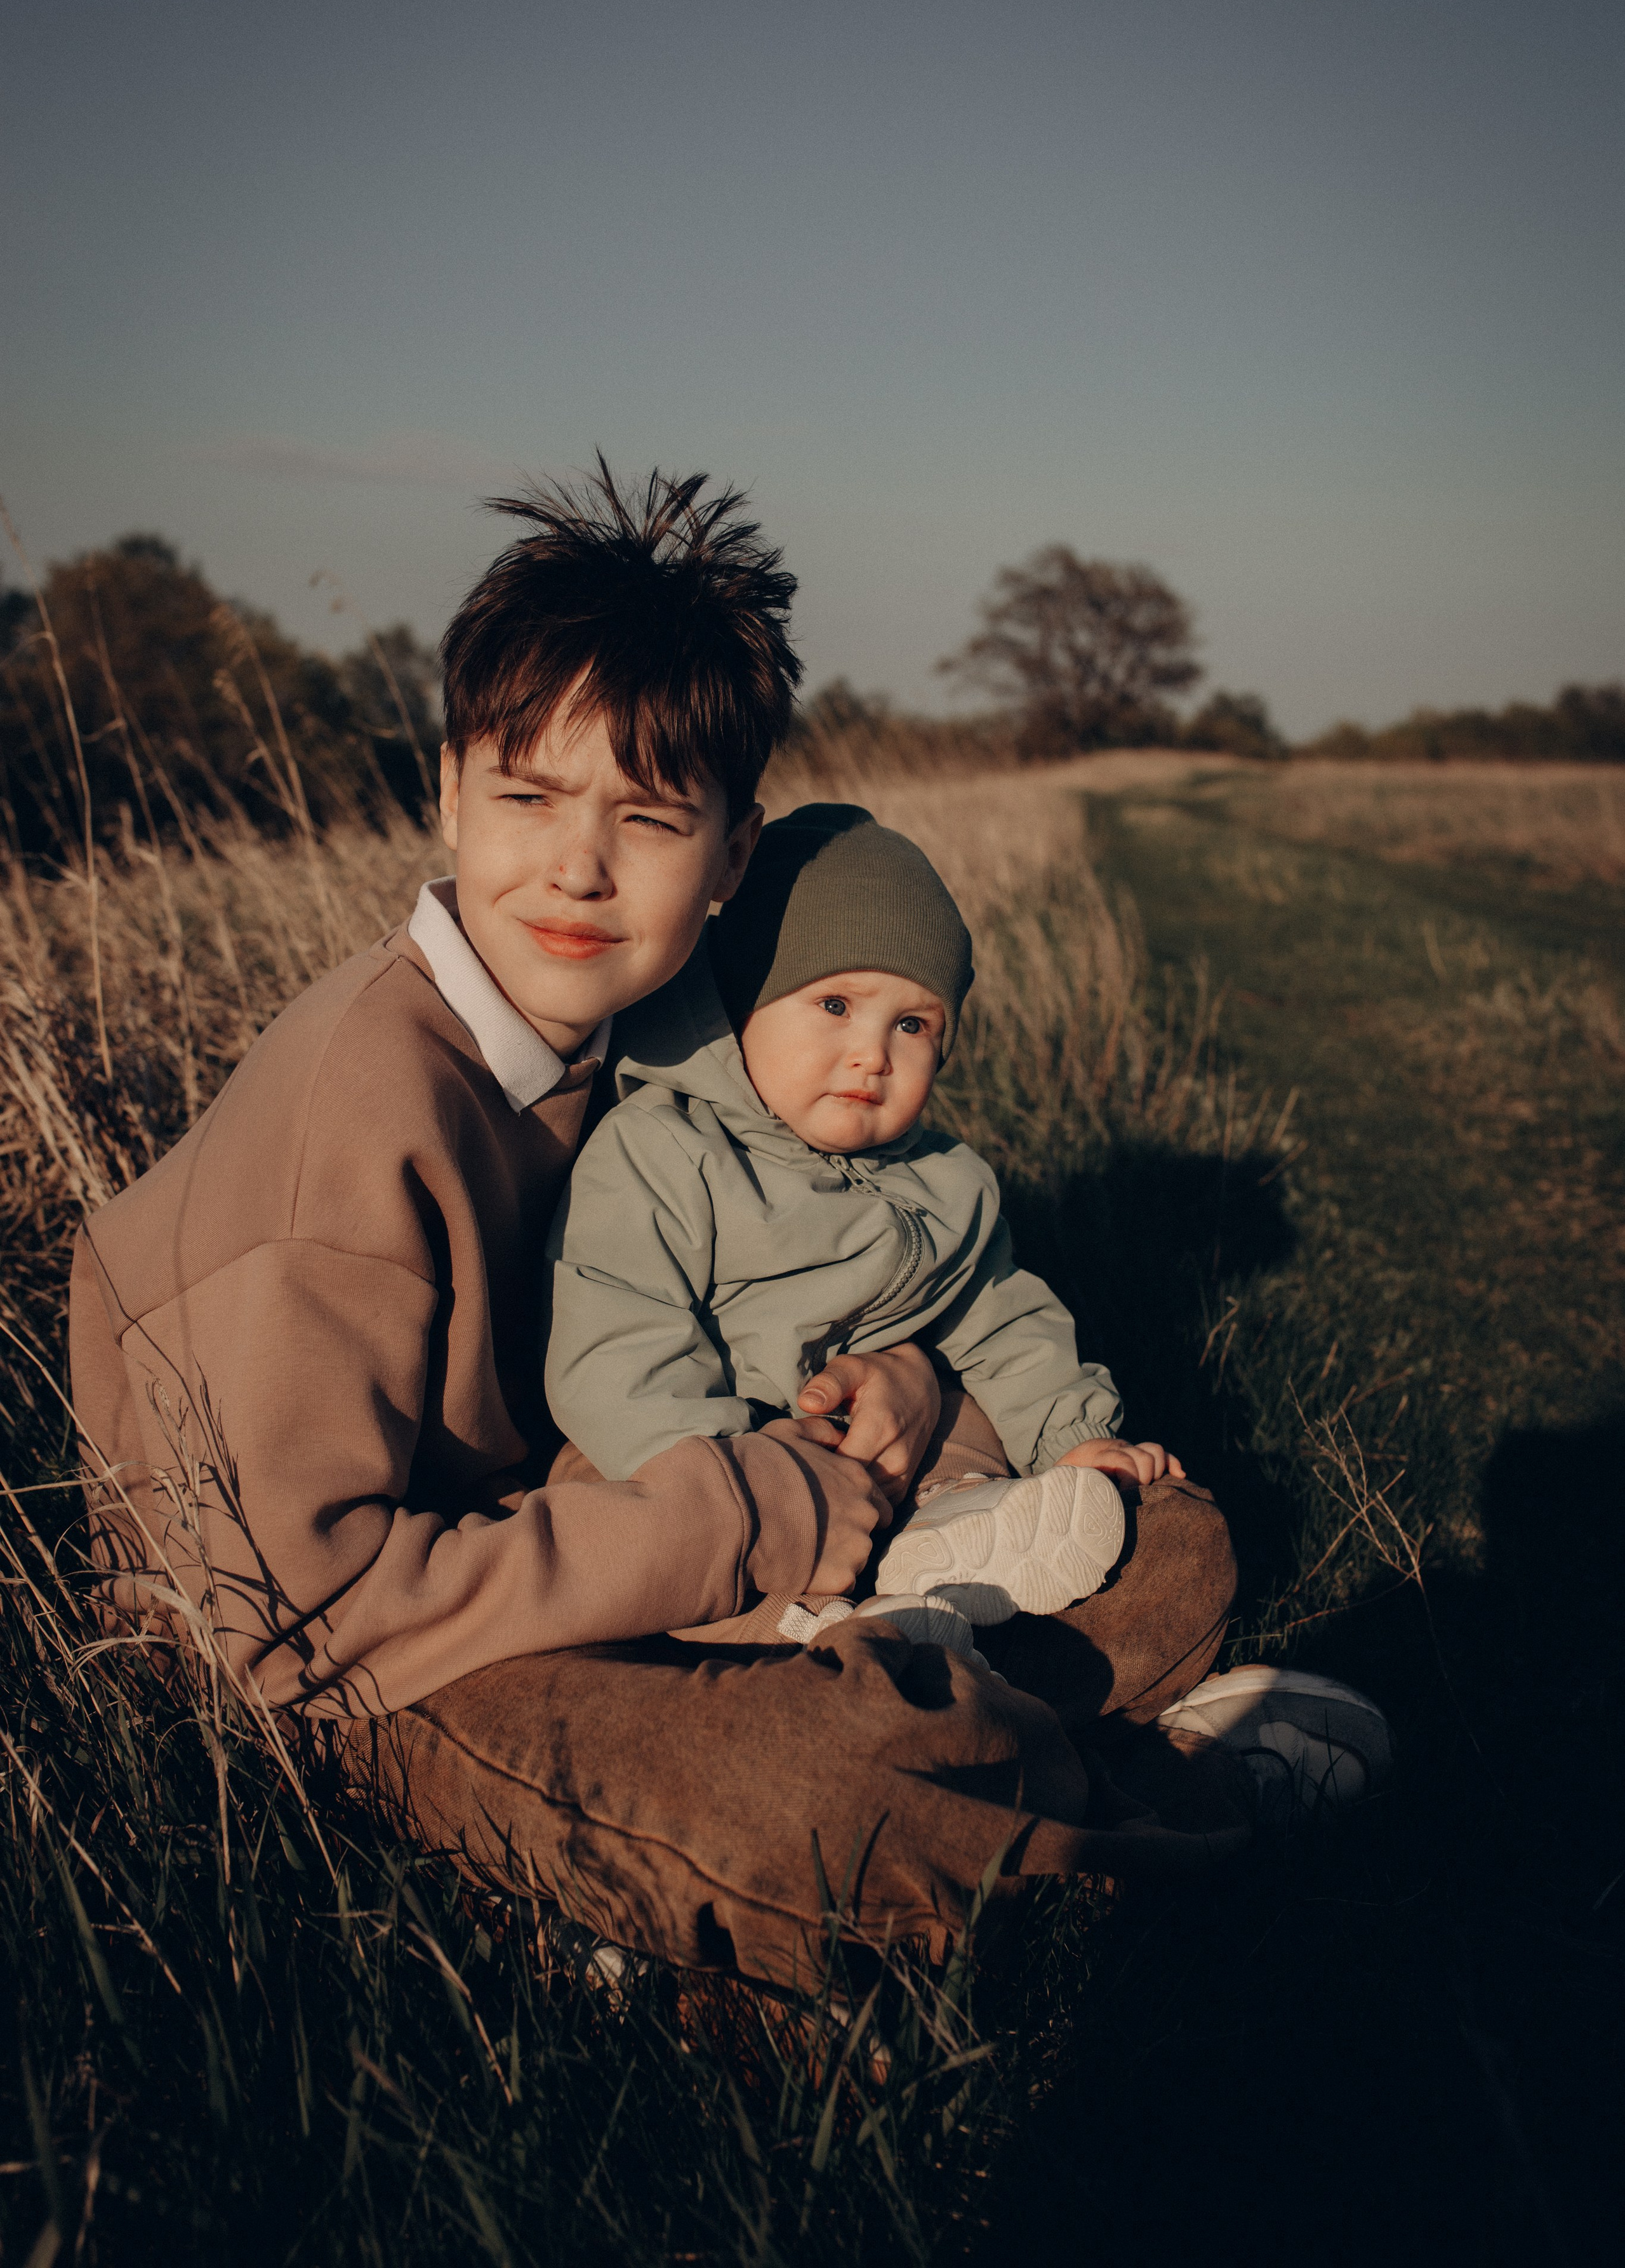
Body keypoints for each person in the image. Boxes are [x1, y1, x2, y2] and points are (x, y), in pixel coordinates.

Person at [68, 463, 1383, 1994]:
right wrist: (737, 1524)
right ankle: (1145, 1802)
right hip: (361, 1663)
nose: (576, 869)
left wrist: (910, 1386)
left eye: (643, 817)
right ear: (445, 792)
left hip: (552, 1531)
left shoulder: (634, 1040)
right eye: (528, 797)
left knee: (1169, 1540)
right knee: (822, 1783)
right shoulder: (354, 1121)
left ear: (731, 858)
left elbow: (751, 1294)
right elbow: (287, 1620)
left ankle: (927, 1740)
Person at [546, 800, 1189, 1647]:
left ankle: (949, 1533)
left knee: (1004, 1435)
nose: (873, 1054)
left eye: (913, 1025)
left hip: (884, 1455)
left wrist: (1073, 1435)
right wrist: (750, 1477)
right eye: (836, 1005)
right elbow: (616, 1343)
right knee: (617, 1509)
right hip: (713, 1467)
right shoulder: (663, 1153)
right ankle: (813, 1631)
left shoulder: (945, 1183)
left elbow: (1004, 1321)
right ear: (742, 1004)